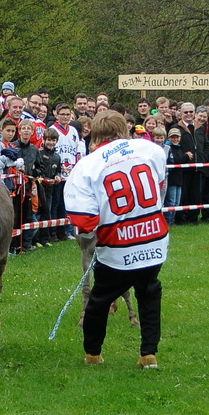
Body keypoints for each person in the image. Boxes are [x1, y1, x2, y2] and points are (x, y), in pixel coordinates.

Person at [67, 110, 168, 368]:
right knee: (149, 292)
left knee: (100, 299)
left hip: (117, 243)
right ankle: (149, 354)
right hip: (153, 237)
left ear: (94, 135)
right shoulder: (150, 149)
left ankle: (93, 353)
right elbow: (159, 185)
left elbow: (85, 221)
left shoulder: (87, 165)